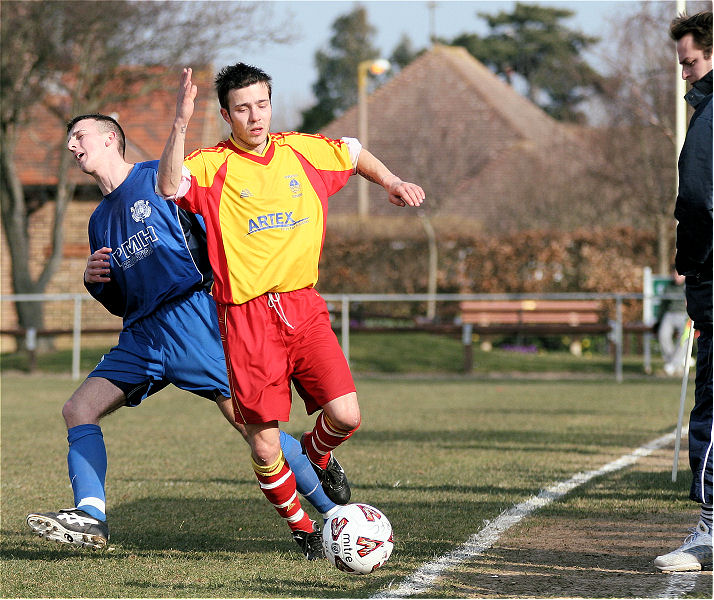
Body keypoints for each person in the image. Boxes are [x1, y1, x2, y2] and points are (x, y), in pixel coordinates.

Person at [26, 114, 337, 560]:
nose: (72, 145)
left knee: (254, 429)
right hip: (141, 335)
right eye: (70, 140)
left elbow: (219, 228)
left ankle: (331, 514)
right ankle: (91, 515)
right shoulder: (97, 220)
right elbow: (121, 299)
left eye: (81, 135)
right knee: (78, 409)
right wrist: (97, 283)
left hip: (192, 318)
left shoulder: (159, 176)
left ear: (112, 138)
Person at [157, 64, 425, 547]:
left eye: (262, 104)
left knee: (346, 416)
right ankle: (306, 530)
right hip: (246, 317)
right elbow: (167, 186)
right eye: (242, 108)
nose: (255, 116)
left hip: (303, 305)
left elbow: (354, 152)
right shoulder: (211, 163)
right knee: (262, 442)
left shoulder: (302, 151)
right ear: (225, 114)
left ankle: (315, 457)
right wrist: (178, 125)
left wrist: (391, 182)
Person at [654, 11, 713, 572]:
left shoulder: (710, 117)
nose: (685, 76)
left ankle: (711, 532)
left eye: (691, 63)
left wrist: (690, 263)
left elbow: (696, 199)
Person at [656, 269, 689, 376]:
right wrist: (658, 320)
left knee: (684, 339)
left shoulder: (690, 286)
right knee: (663, 335)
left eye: (680, 273)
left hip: (685, 315)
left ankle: (672, 365)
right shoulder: (669, 287)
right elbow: (663, 305)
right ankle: (674, 364)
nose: (677, 276)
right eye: (675, 273)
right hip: (670, 314)